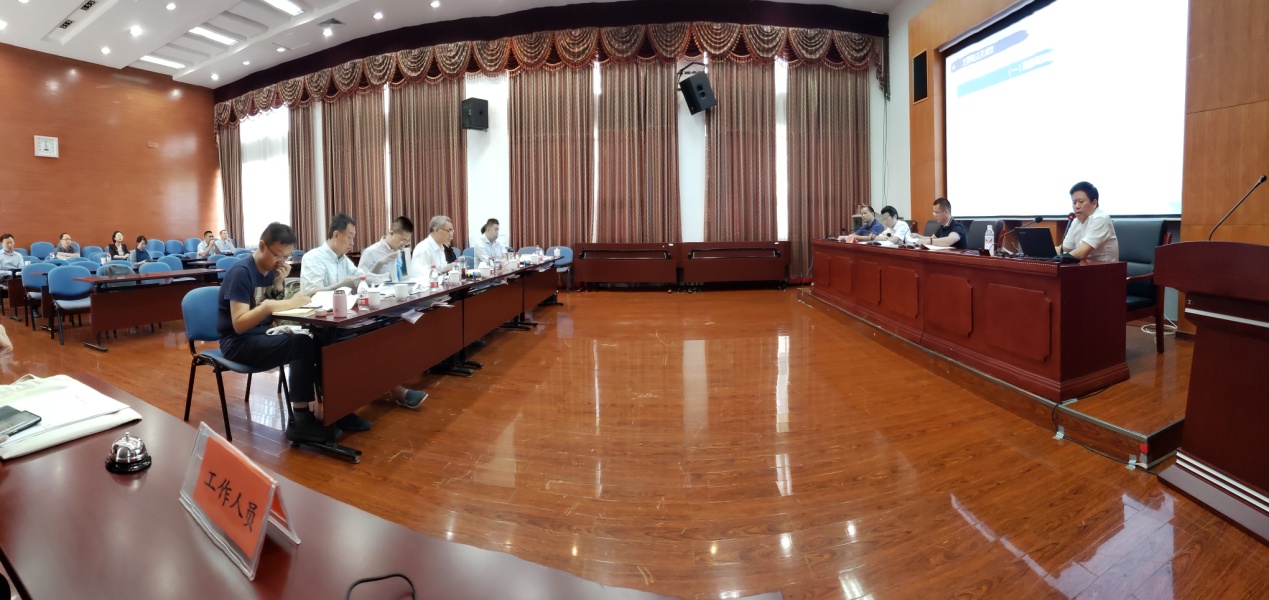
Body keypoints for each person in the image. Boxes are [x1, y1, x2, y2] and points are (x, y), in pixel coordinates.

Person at [218, 222, 340, 443]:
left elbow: (272, 316)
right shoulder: (241, 273)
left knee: (319, 340)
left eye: (286, 256)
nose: (281, 261)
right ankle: (300, 421)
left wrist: (278, 285)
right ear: (262, 246)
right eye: (278, 255)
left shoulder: (270, 272)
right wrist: (270, 305)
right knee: (300, 344)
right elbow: (239, 324)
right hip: (237, 343)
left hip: (263, 334)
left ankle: (338, 408)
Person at [304, 214, 427, 410]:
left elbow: (361, 277)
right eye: (350, 237)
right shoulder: (313, 257)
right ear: (336, 235)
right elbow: (311, 295)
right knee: (369, 338)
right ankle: (375, 396)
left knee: (381, 332)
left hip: (345, 318)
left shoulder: (343, 260)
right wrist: (342, 284)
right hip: (323, 325)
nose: (353, 243)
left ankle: (385, 389)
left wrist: (382, 278)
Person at [1059, 181, 1119, 262]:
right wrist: (1044, 253)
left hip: (1105, 268)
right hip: (1085, 267)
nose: (1077, 206)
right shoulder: (1076, 221)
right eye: (1074, 202)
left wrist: (1058, 258)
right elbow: (1063, 249)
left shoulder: (1101, 219)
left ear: (1094, 203)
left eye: (1081, 202)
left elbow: (1082, 252)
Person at [357, 216, 414, 282]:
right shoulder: (370, 253)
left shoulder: (400, 253)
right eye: (402, 240)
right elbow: (360, 280)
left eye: (407, 241)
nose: (403, 245)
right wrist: (379, 265)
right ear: (392, 233)